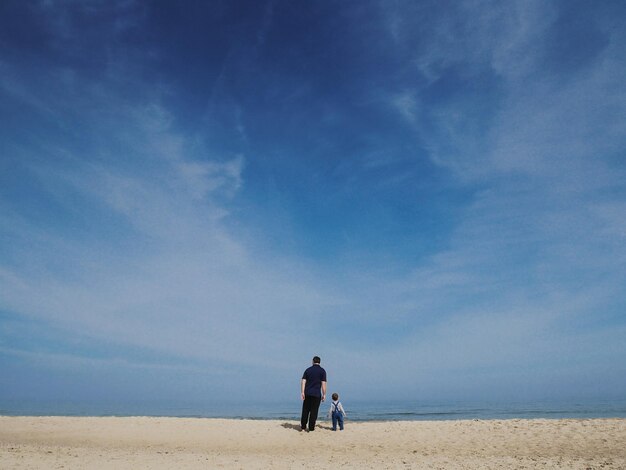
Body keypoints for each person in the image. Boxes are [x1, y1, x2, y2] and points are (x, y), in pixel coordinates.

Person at [300, 356, 326, 432]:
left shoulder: (308, 370)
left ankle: (303, 426)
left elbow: (303, 382)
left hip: (307, 393)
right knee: (314, 411)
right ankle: (311, 428)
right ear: (320, 362)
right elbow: (323, 383)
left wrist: (302, 392)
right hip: (317, 394)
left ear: (313, 361)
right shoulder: (322, 371)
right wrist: (324, 394)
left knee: (305, 410)